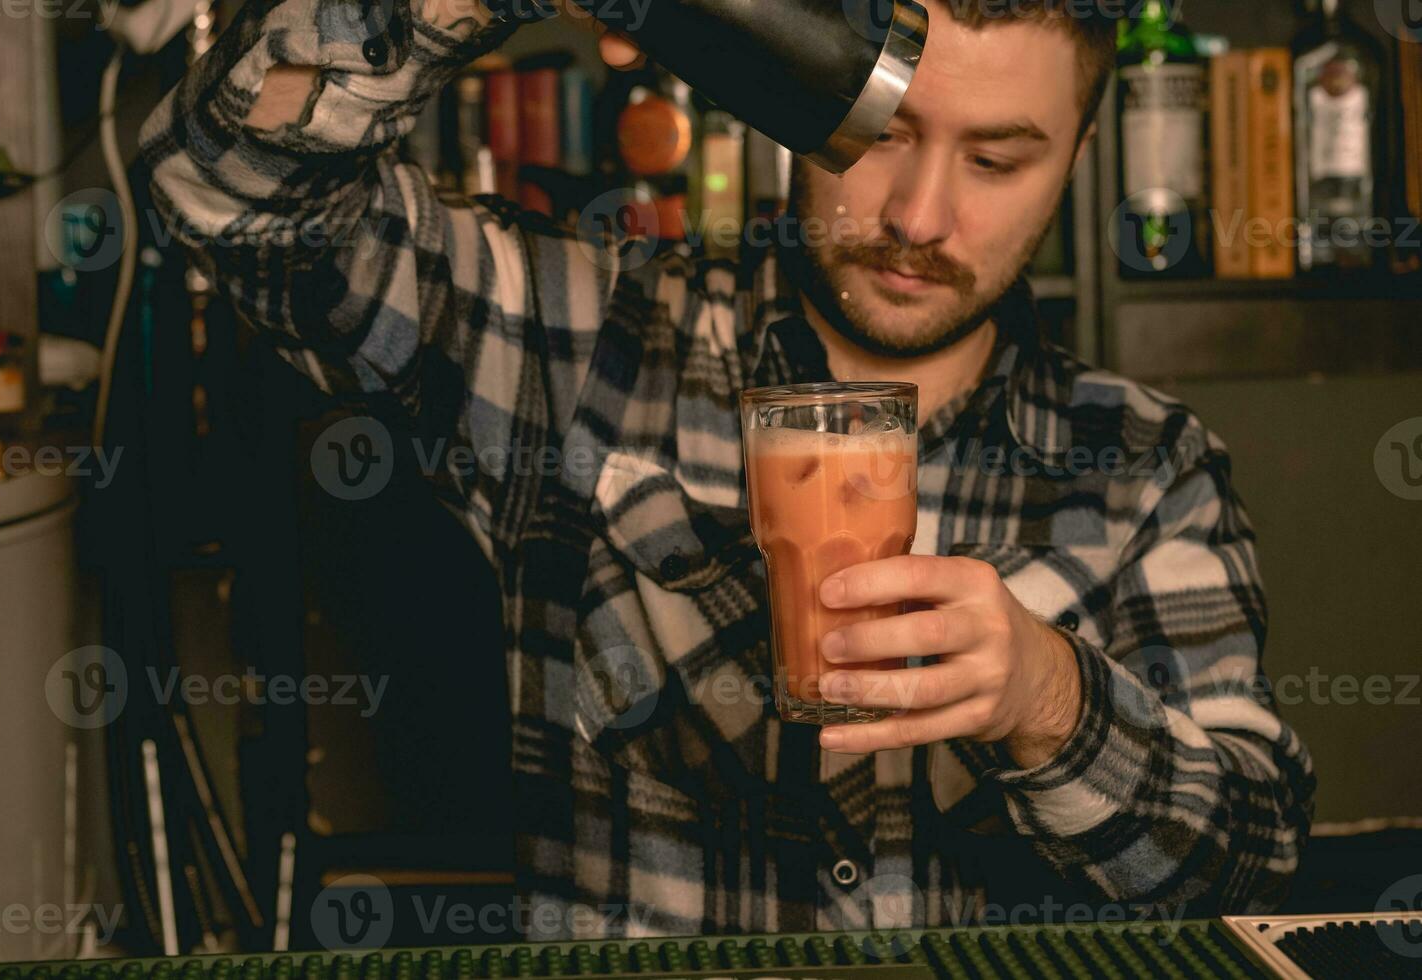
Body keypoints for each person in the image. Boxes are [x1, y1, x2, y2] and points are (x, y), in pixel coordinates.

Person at [140, 0, 1315, 938]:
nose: (919, 214)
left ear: (1078, 156)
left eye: (998, 160)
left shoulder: (1146, 468)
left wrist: (1048, 700)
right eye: (880, 136)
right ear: (797, 97)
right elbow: (225, 192)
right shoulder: (579, 338)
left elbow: (1254, 867)